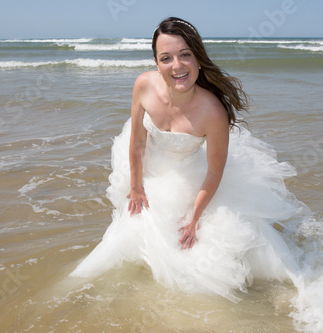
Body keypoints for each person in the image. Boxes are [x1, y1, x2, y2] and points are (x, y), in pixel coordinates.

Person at [70, 17, 306, 302]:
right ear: (157, 63)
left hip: (190, 176)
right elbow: (137, 142)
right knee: (132, 224)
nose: (177, 66)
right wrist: (135, 186)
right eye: (166, 58)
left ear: (198, 58)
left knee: (196, 255)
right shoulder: (143, 85)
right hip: (146, 166)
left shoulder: (213, 112)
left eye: (185, 55)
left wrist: (194, 216)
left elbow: (215, 172)